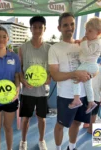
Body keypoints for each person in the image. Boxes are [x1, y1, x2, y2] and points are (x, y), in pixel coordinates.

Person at [48, 12, 92, 150]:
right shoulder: (54, 48)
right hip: (66, 96)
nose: (69, 27)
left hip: (84, 94)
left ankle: (71, 147)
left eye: (72, 24)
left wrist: (90, 75)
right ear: (59, 28)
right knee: (60, 125)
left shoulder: (82, 45)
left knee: (77, 123)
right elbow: (55, 75)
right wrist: (74, 73)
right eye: (65, 25)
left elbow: (92, 64)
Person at [18, 16, 51, 150]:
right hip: (27, 90)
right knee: (26, 119)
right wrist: (23, 80)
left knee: (42, 119)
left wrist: (49, 78)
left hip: (42, 91)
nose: (37, 30)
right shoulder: (22, 47)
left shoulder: (49, 48)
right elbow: (19, 69)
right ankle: (23, 141)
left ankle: (42, 140)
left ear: (44, 29)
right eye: (34, 27)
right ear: (30, 28)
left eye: (40, 27)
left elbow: (52, 69)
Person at [69, 17, 101, 114]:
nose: (86, 33)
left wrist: (83, 42)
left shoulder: (97, 43)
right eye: (86, 30)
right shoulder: (92, 41)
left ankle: (76, 99)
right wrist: (81, 42)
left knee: (75, 77)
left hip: (89, 65)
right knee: (88, 84)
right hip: (89, 65)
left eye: (90, 31)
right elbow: (85, 47)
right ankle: (91, 102)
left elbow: (87, 52)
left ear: (98, 33)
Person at [83, 57, 101, 133]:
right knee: (95, 114)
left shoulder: (93, 67)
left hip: (86, 94)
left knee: (88, 110)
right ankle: (91, 130)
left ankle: (86, 124)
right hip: (96, 96)